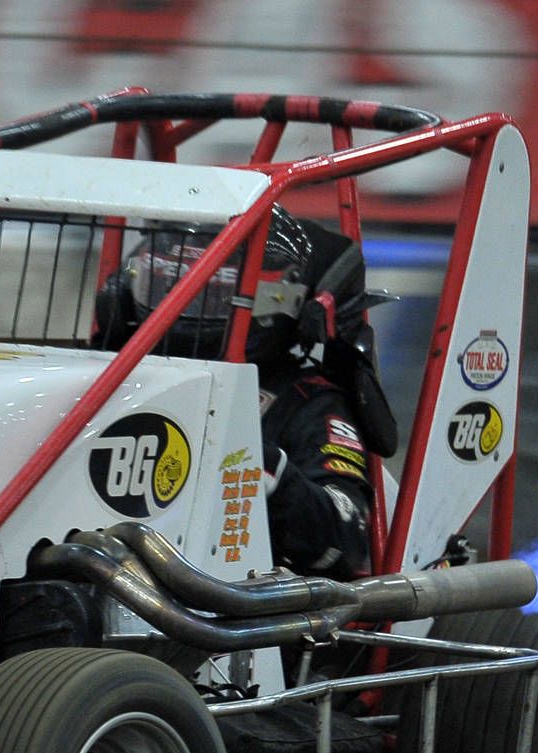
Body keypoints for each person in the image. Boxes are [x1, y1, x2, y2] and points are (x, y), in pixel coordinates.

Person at [94, 206, 396, 579]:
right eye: (168, 288)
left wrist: (262, 469)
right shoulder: (113, 377)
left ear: (283, 303)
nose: (185, 308)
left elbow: (345, 540)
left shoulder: (309, 400)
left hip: (244, 604)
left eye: (216, 296)